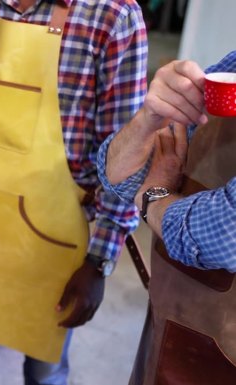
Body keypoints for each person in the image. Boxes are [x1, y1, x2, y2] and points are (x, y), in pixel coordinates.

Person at [0, 1, 148, 384]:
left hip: (52, 229)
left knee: (45, 369)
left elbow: (127, 151)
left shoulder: (111, 15)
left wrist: (99, 262)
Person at [98, 52, 236, 384]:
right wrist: (148, 119)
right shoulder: (230, 68)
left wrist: (154, 197)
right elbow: (118, 174)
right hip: (168, 332)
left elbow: (224, 233)